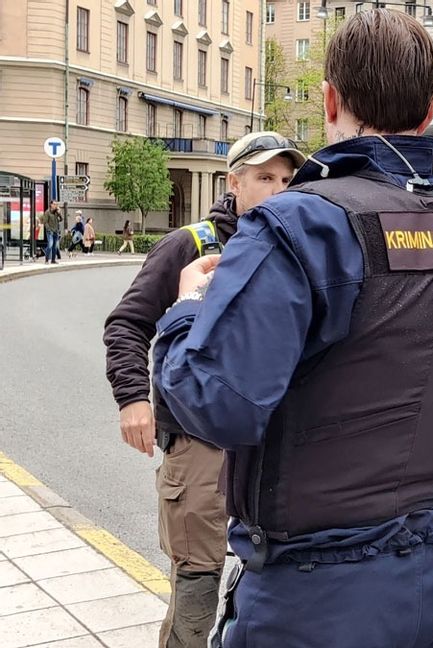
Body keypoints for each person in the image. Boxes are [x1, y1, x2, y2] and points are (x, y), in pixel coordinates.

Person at [152, 11, 433, 648]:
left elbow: (216, 404)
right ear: (429, 113)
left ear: (330, 100)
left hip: (322, 590)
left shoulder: (301, 223)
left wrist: (187, 310)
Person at [103, 131, 304, 648]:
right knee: (198, 577)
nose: (278, 190)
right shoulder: (191, 245)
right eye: (264, 178)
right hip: (199, 442)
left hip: (273, 441)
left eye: (287, 179)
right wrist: (133, 398)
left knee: (273, 579)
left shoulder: (295, 247)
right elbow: (127, 324)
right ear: (233, 182)